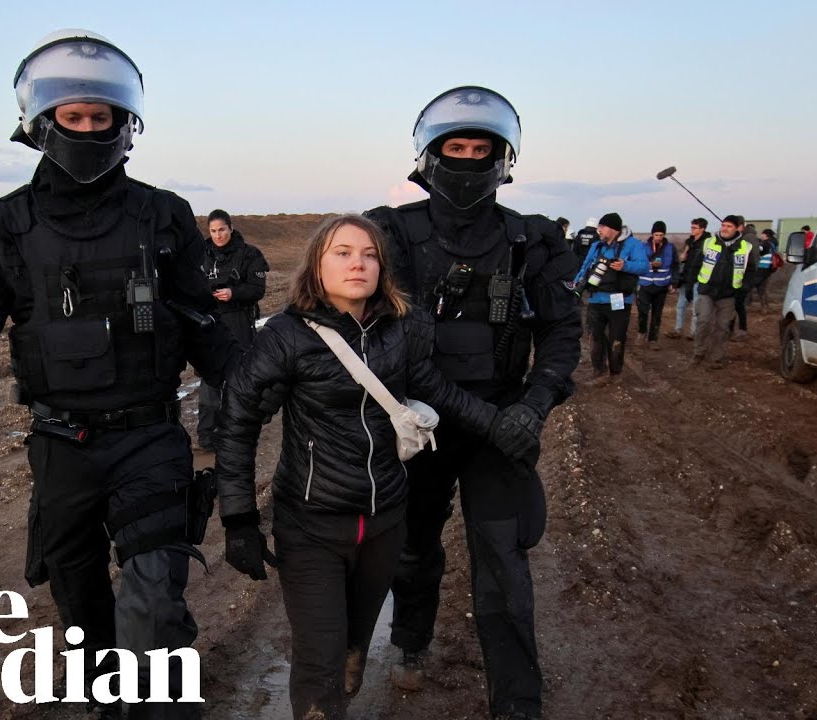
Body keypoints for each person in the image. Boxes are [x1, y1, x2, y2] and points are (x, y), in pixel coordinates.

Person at [0, 29, 236, 719]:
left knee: (156, 601)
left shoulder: (164, 216)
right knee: (85, 611)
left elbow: (204, 329)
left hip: (150, 438)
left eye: (103, 117)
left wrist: (282, 395)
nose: (90, 130)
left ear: (127, 125)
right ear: (43, 124)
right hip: (61, 444)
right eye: (75, 117)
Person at [215, 214, 535, 720]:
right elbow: (238, 419)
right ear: (316, 264)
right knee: (321, 659)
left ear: (382, 267)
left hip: (385, 520)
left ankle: (349, 666)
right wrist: (238, 520)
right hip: (310, 523)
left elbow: (437, 389)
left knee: (353, 645)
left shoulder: (401, 328)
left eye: (368, 254)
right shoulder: (286, 336)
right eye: (341, 252)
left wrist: (502, 428)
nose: (356, 263)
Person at [363, 86, 581, 720]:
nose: (466, 161)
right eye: (453, 148)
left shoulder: (533, 239)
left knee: (504, 559)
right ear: (430, 156)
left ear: (501, 158)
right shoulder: (392, 232)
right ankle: (410, 641)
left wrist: (533, 407)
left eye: (478, 149)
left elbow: (563, 333)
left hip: (504, 426)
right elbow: (402, 348)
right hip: (421, 423)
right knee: (412, 545)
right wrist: (488, 419)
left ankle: (518, 703)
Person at [197, 208, 268, 451]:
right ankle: (207, 435)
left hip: (239, 321)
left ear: (231, 228)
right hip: (209, 323)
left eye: (222, 230)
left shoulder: (249, 255)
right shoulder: (200, 255)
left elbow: (258, 289)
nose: (217, 235)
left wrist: (233, 293)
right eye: (213, 231)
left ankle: (240, 430)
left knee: (240, 378)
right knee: (209, 380)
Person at [573, 213, 650, 376]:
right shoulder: (596, 246)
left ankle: (615, 374)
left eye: (602, 227)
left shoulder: (633, 245)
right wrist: (576, 284)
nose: (599, 230)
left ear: (613, 229)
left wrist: (625, 265)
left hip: (619, 300)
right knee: (596, 338)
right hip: (595, 299)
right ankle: (598, 372)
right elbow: (585, 267)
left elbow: (644, 266)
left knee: (616, 338)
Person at [684, 214, 758, 369]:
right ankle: (698, 352)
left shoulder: (745, 247)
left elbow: (751, 270)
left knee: (722, 327)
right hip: (707, 291)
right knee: (703, 321)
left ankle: (716, 358)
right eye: (723, 225)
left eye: (729, 226)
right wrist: (690, 285)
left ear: (737, 228)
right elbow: (695, 265)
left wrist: (745, 287)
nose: (725, 228)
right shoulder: (709, 243)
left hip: (729, 294)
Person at [665, 217, 708, 340]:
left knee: (696, 308)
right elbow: (683, 260)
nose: (692, 230)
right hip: (686, 278)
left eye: (695, 228)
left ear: (702, 229)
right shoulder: (689, 242)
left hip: (698, 279)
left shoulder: (707, 243)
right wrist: (682, 259)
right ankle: (678, 330)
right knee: (680, 305)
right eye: (692, 227)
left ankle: (693, 333)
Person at [635, 220, 675, 350]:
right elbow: (636, 263)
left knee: (657, 314)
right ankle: (642, 333)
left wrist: (673, 283)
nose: (658, 237)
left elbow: (676, 265)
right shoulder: (643, 246)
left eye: (661, 235)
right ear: (652, 234)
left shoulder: (670, 248)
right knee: (643, 312)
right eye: (656, 234)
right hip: (645, 283)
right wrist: (649, 264)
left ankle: (653, 339)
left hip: (661, 285)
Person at [752, 228, 780, 311]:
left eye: (762, 234)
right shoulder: (772, 243)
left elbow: (758, 250)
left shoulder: (765, 243)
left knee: (750, 285)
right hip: (769, 268)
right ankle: (765, 306)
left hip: (762, 267)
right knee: (762, 288)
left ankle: (762, 306)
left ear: (766, 235)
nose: (761, 235)